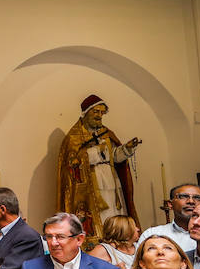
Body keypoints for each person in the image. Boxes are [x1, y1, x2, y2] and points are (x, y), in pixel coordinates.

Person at [55, 94, 141, 239]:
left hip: (111, 181)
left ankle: (119, 239)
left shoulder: (106, 133)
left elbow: (114, 157)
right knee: (101, 216)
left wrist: (126, 149)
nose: (99, 116)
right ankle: (102, 242)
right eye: (96, 112)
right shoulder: (73, 138)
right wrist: (97, 152)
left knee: (115, 212)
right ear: (86, 112)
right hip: (91, 186)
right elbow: (72, 162)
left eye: (101, 113)